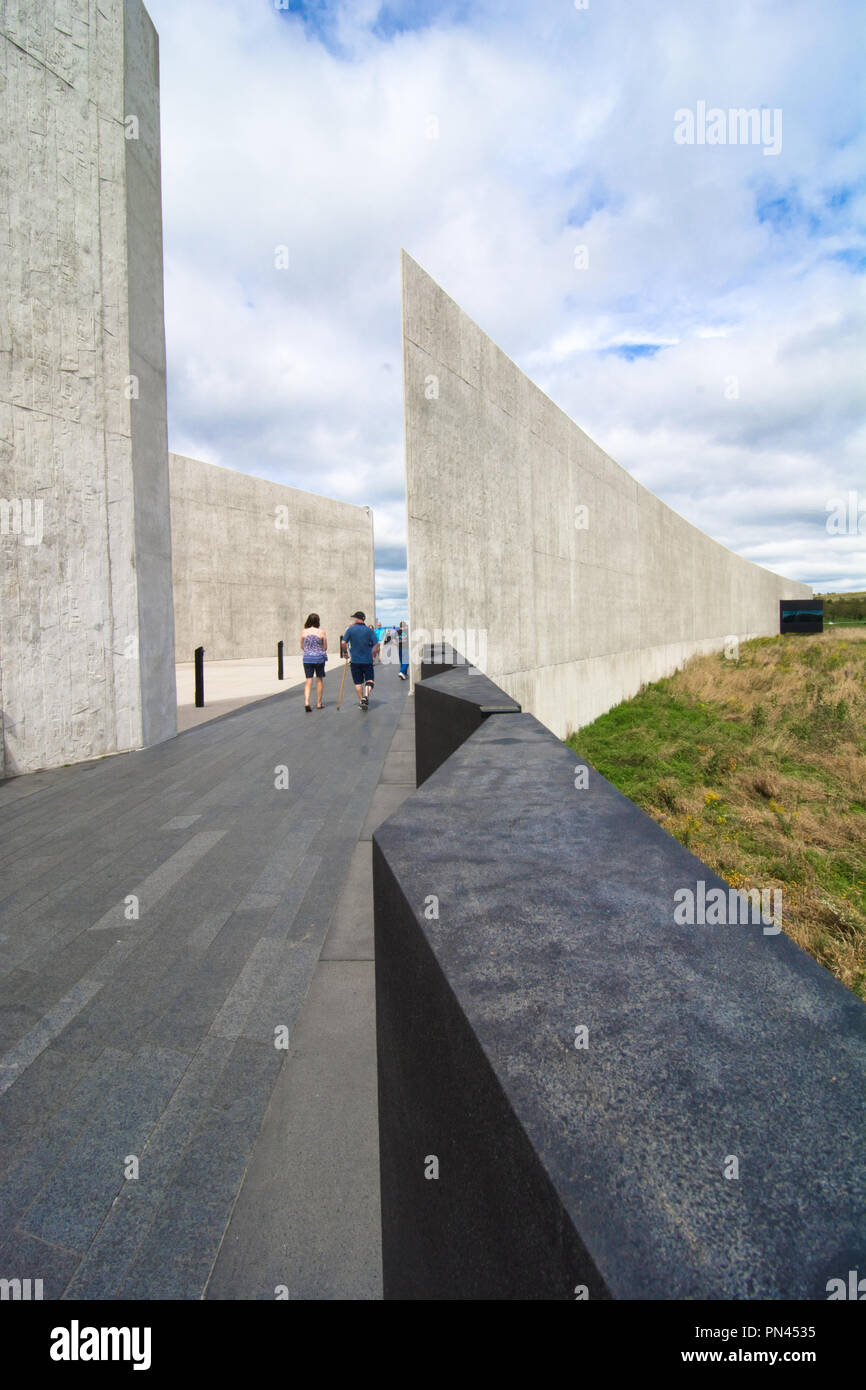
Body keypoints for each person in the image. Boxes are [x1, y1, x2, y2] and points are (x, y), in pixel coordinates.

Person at [341, 611, 379, 710]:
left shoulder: (350, 630)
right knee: (370, 681)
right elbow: (376, 644)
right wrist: (373, 654)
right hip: (367, 660)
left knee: (357, 682)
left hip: (355, 661)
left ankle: (362, 700)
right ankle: (365, 697)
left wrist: (345, 652)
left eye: (354, 618)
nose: (354, 619)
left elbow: (343, 642)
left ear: (357, 619)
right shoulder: (369, 630)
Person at [300, 612, 327, 711]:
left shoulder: (304, 632)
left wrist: (308, 651)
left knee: (308, 680)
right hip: (319, 658)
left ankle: (307, 702)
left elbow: (302, 646)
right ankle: (319, 703)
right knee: (319, 680)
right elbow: (325, 647)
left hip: (307, 658)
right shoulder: (321, 632)